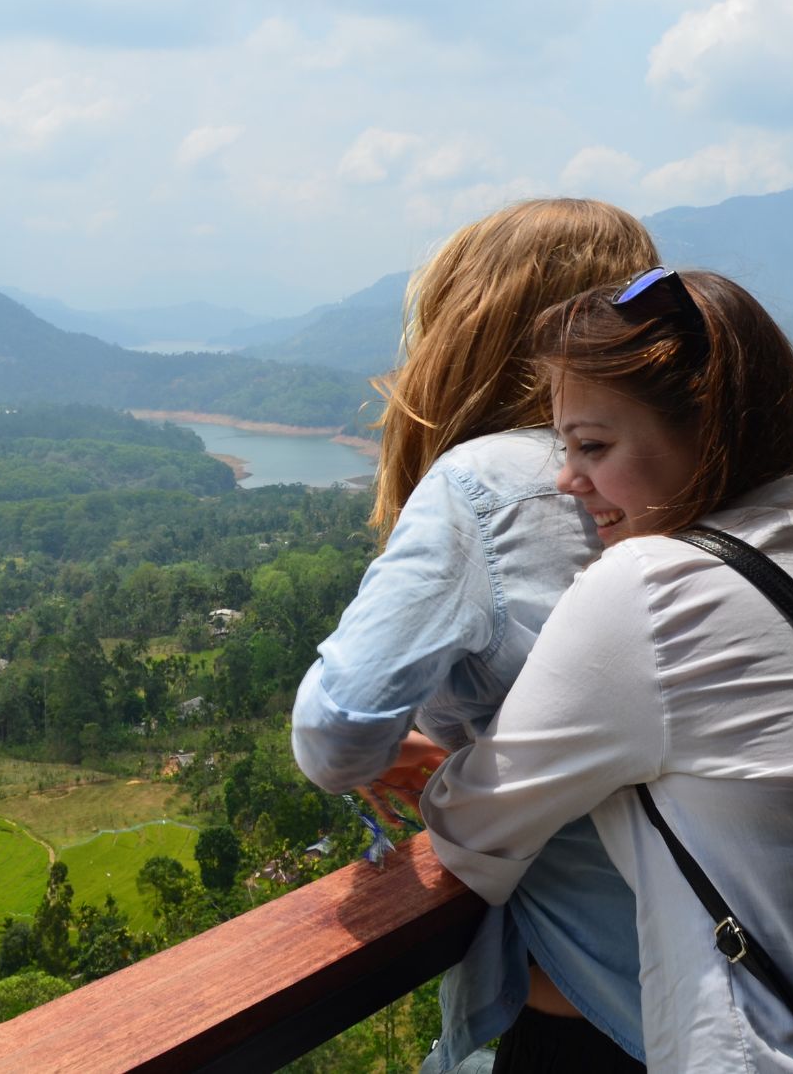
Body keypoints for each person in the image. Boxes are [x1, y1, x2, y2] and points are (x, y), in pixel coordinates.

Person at [421, 270, 793, 1073]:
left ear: (708, 428)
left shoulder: (653, 589)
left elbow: (473, 830)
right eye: (565, 448)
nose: (570, 480)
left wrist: (433, 755)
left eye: (593, 446)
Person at [291, 197, 658, 1073]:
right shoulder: (685, 466)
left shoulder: (489, 482)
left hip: (598, 1012)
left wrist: (426, 760)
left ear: (468, 333)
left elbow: (336, 730)